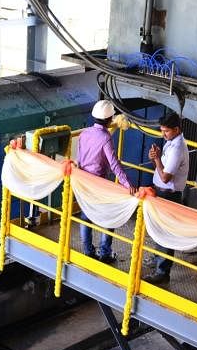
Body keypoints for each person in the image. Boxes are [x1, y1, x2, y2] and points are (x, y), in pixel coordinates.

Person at [75, 99, 132, 262]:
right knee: (110, 217)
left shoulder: (84, 133)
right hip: (99, 185)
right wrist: (128, 185)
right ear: (109, 120)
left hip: (84, 181)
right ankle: (105, 253)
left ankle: (87, 251)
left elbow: (79, 159)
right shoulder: (105, 138)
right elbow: (114, 164)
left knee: (86, 216)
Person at [144, 112, 190, 285]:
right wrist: (155, 157)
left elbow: (165, 178)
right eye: (162, 131)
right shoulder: (171, 142)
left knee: (165, 233)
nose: (163, 134)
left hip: (168, 195)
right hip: (161, 193)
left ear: (176, 129)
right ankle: (157, 259)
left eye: (166, 131)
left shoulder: (177, 148)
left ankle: (162, 272)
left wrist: (156, 159)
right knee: (158, 229)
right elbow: (162, 168)